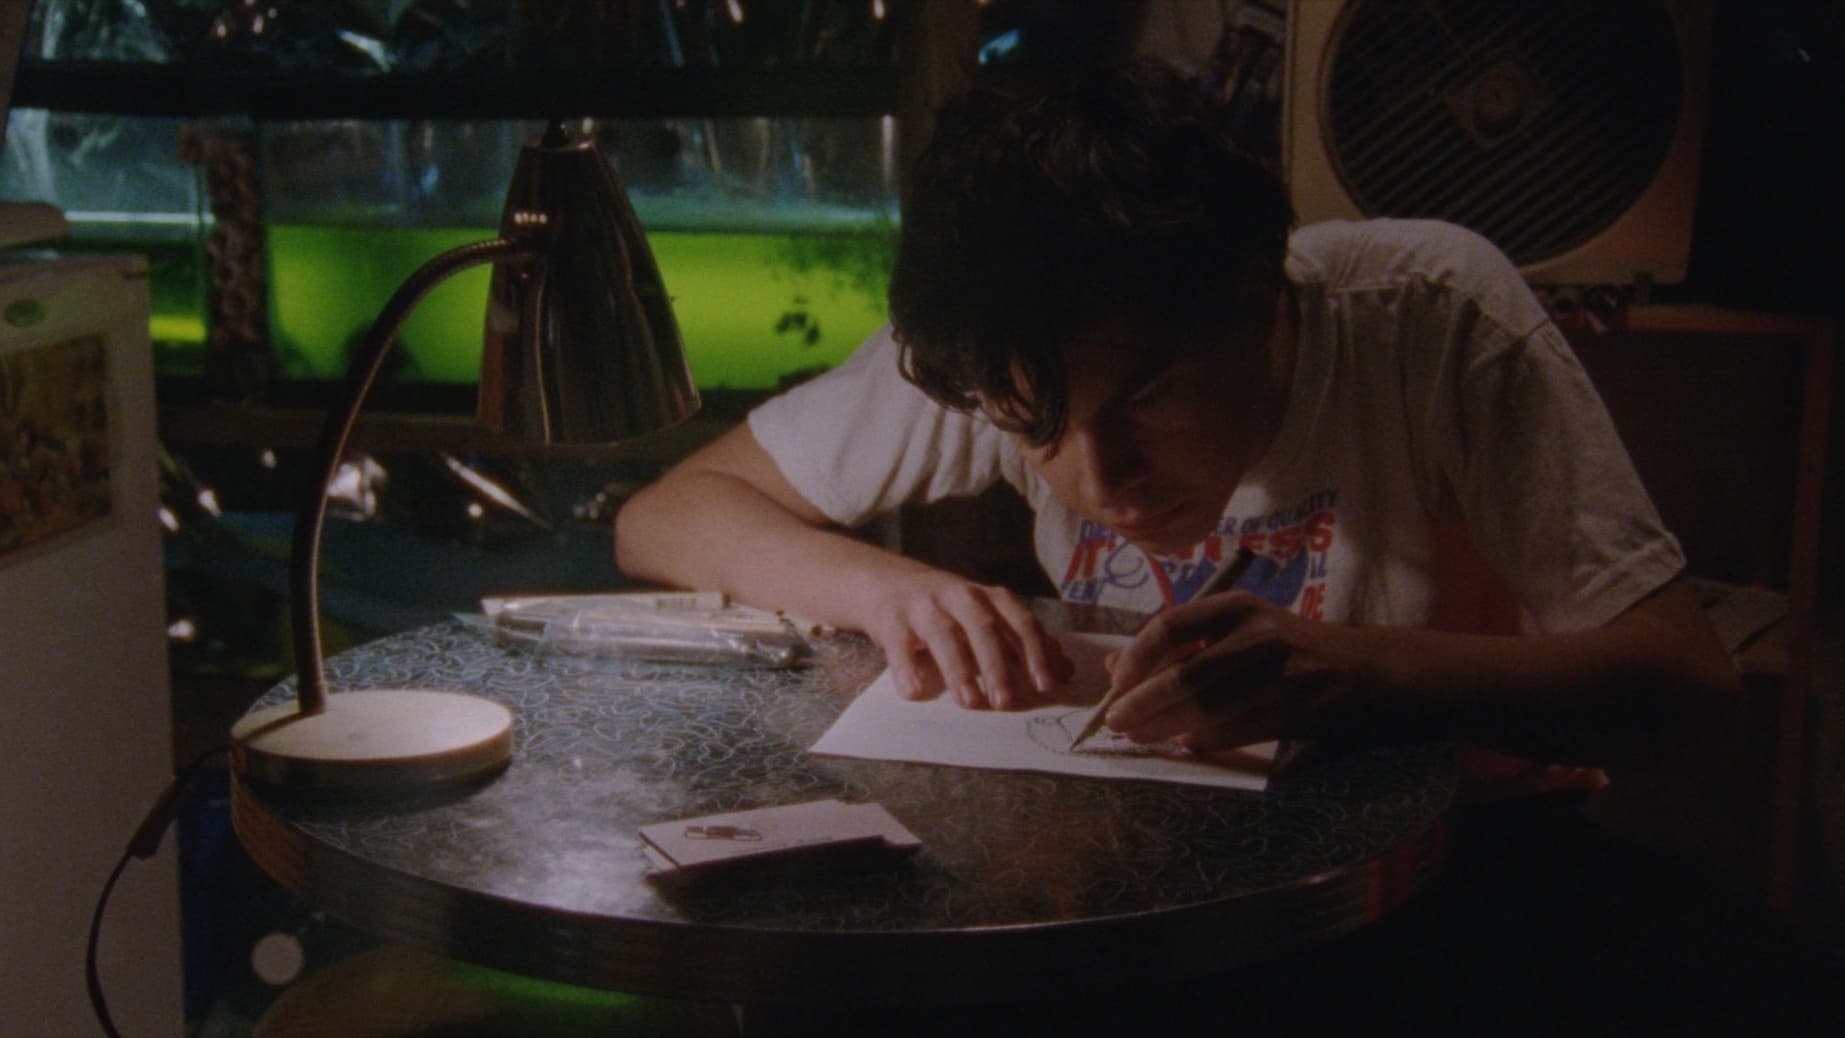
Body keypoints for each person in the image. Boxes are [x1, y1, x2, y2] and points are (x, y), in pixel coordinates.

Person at [615, 60, 1739, 770]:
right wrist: (882, 589)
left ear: (1254, 303)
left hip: (1431, 866)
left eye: (1148, 398)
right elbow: (666, 516)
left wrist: (1362, 674)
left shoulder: (1426, 315)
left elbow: (1687, 686)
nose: (1101, 480)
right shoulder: (1004, 339)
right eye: (1033, 431)